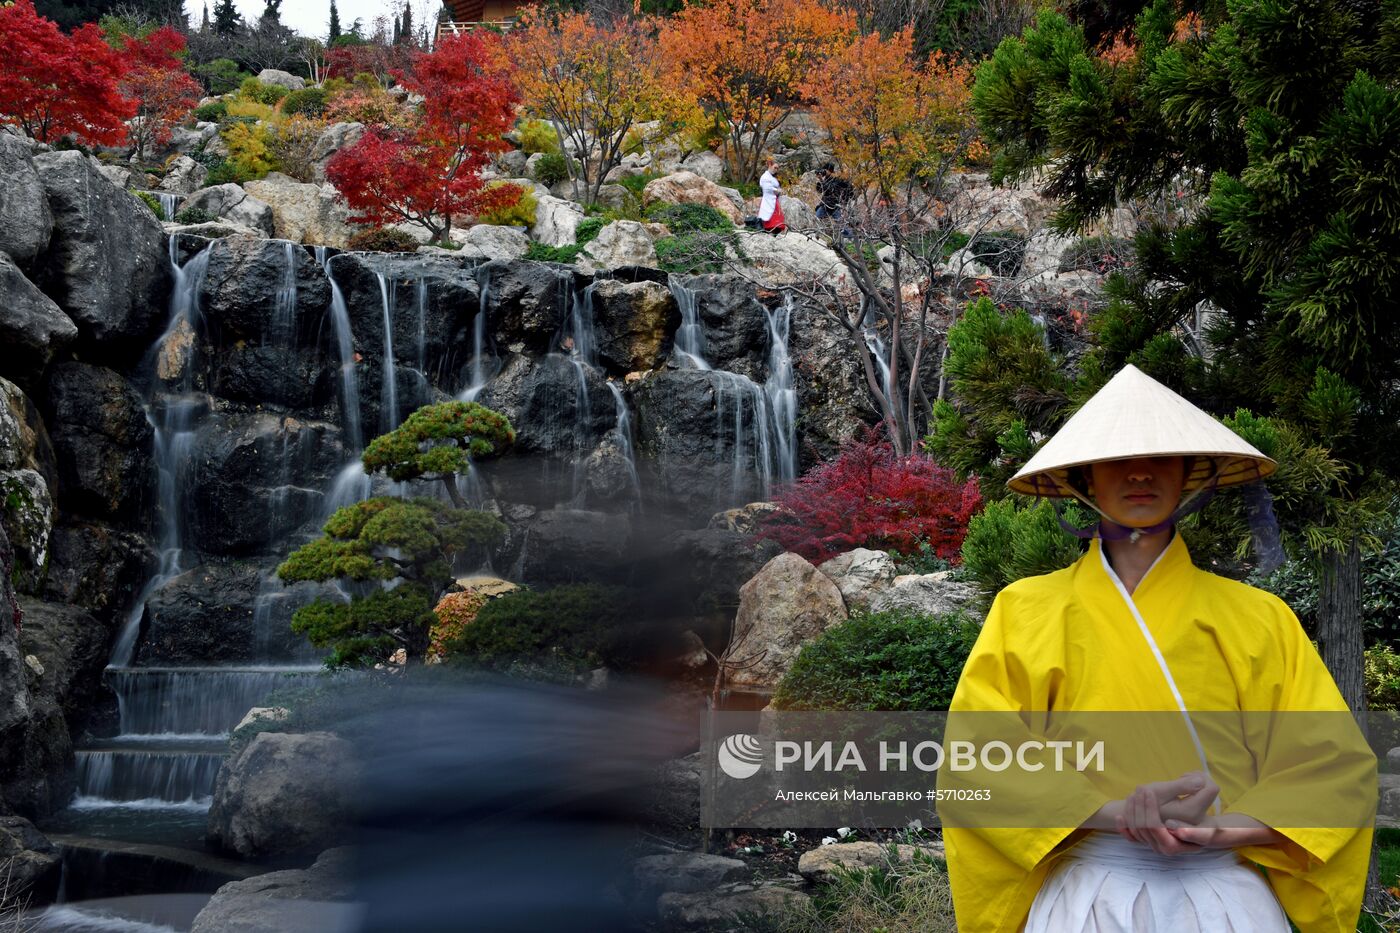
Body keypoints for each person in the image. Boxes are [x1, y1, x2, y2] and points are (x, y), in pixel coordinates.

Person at [941, 363, 1376, 932]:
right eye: (1116, 460)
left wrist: (1222, 828)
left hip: (1223, 899)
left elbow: (1334, 768)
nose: (1140, 473)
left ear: (1191, 473)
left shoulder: (1259, 617)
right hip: (1088, 896)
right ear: (1085, 478)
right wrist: (1114, 814)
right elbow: (978, 759)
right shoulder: (1025, 610)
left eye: (1162, 458)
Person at [756, 156, 787, 234]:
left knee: (777, 218)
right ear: (770, 165)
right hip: (768, 199)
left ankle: (775, 231)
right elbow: (767, 188)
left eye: (777, 168)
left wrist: (779, 190)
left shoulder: (772, 178)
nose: (776, 170)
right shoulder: (765, 177)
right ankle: (768, 229)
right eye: (775, 167)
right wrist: (777, 190)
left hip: (774, 199)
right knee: (768, 215)